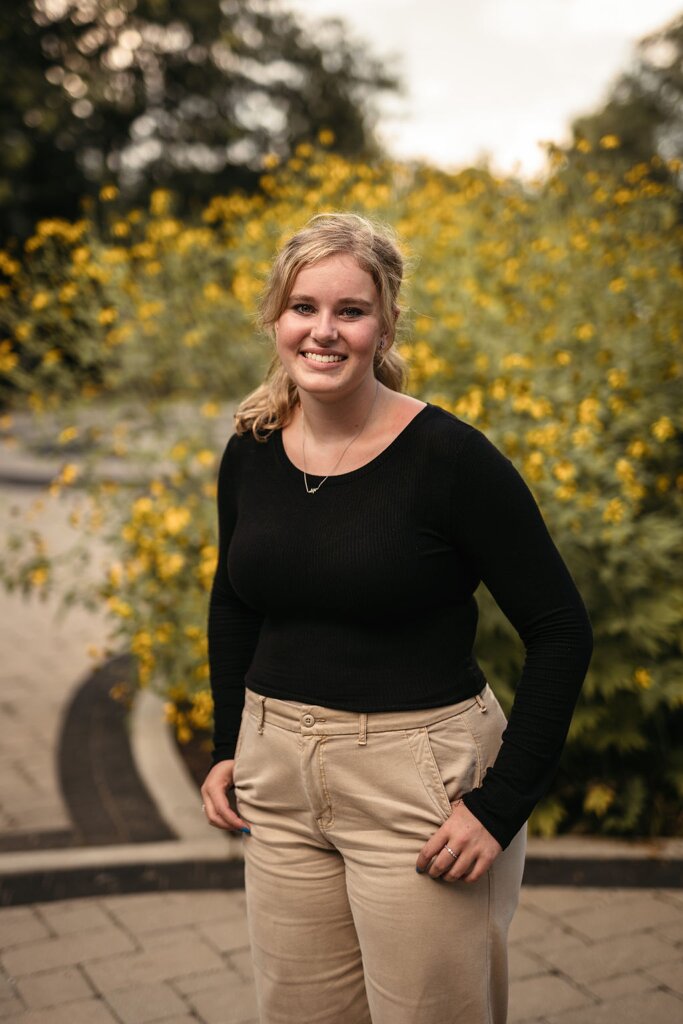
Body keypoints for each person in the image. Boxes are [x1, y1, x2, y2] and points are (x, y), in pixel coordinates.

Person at [201, 212, 594, 1024]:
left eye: (350, 310)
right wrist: (222, 743)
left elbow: (560, 628)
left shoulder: (449, 459)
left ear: (384, 325)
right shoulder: (251, 447)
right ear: (275, 318)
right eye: (303, 307)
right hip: (275, 776)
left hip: (418, 786)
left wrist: (499, 804)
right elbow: (233, 601)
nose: (323, 331)